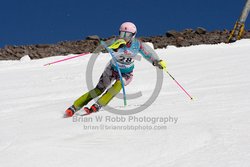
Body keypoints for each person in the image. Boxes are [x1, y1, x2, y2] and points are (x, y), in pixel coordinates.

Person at [65, 22, 167, 117]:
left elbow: (148, 54)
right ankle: (75, 106)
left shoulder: (137, 45)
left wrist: (157, 61)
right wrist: (101, 45)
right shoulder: (115, 41)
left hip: (126, 74)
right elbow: (104, 45)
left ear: (133, 35)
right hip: (111, 69)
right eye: (122, 34)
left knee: (119, 85)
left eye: (127, 35)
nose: (124, 37)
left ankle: (98, 105)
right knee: (98, 90)